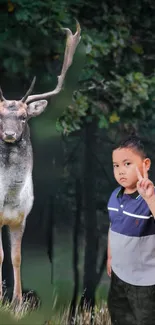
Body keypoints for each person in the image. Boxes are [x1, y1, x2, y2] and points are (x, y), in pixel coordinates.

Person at [107, 135, 155, 325]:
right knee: (119, 317)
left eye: (127, 163)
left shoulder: (150, 196)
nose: (120, 171)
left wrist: (150, 198)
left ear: (145, 164)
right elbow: (113, 227)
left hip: (145, 283)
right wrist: (110, 257)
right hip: (119, 277)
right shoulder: (115, 196)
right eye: (116, 166)